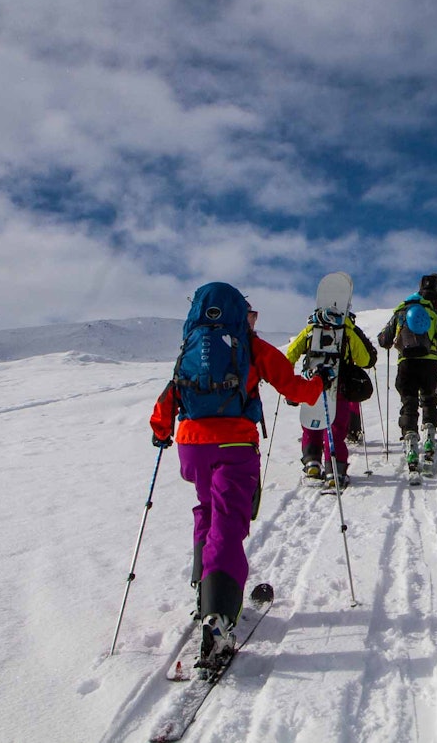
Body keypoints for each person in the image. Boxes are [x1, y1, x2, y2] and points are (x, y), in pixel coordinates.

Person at [150, 282, 325, 671]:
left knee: (208, 511)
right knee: (228, 524)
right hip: (234, 446)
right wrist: (319, 385)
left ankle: (205, 596)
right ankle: (219, 618)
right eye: (251, 314)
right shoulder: (249, 346)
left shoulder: (193, 344)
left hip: (191, 446)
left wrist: (161, 430)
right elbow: (294, 387)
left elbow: (172, 392)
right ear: (240, 314)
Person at [286, 308, 375, 487]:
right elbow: (365, 360)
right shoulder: (347, 331)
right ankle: (335, 470)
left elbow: (291, 353)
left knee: (312, 424)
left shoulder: (311, 329)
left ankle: (312, 462)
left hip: (313, 383)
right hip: (339, 385)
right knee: (336, 426)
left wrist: (290, 382)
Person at [377, 290, 437, 470]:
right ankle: (429, 437)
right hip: (430, 364)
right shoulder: (433, 312)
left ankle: (410, 440)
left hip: (406, 365)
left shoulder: (399, 313)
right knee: (429, 400)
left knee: (409, 403)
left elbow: (384, 340)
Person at [343, 312, 378, 445]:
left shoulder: (320, 325)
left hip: (324, 371)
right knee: (350, 398)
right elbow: (366, 349)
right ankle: (354, 430)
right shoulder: (352, 329)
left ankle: (319, 433)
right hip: (348, 371)